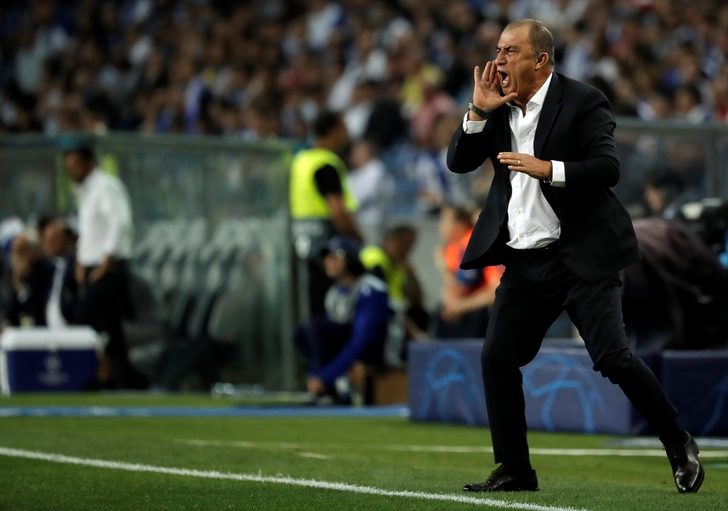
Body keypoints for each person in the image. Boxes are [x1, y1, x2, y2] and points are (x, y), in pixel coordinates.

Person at [446, 19, 703, 494]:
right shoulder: (496, 106)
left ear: (540, 60)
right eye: (498, 50)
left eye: (510, 51)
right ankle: (515, 468)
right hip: (525, 260)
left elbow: (607, 168)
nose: (498, 61)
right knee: (497, 358)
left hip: (581, 257)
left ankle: (677, 440)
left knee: (614, 359)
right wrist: (477, 111)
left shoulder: (584, 100)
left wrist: (548, 169)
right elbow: (458, 162)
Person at [63, 143, 140, 389]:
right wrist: (80, 260)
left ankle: (106, 375)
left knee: (87, 315)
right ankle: (123, 380)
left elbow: (120, 223)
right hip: (92, 267)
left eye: (75, 165)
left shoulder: (106, 186)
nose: (70, 171)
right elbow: (89, 232)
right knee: (110, 328)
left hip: (108, 268)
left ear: (89, 163)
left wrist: (107, 260)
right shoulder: (85, 192)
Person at [294, 235, 393, 404]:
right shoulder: (334, 293)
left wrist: (326, 376)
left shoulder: (369, 289)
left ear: (351, 259)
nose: (329, 261)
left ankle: (329, 387)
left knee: (318, 329)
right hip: (351, 347)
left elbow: (362, 338)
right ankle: (325, 389)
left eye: (336, 256)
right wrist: (316, 374)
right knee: (303, 333)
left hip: (378, 350)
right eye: (327, 256)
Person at [290, 110, 363, 320]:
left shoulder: (300, 161)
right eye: (344, 127)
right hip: (327, 247)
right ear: (333, 131)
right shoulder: (325, 164)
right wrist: (358, 238)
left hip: (301, 243)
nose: (347, 133)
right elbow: (337, 211)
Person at [434, 204, 501, 339]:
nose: (440, 226)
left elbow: (494, 289)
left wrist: (458, 306)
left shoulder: (474, 242)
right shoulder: (452, 248)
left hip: (484, 308)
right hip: (469, 305)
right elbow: (453, 288)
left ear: (460, 224)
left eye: (445, 221)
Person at [360, 224, 430, 348]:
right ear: (389, 240)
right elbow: (382, 301)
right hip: (374, 311)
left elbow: (416, 299)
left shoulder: (399, 265)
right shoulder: (374, 257)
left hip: (397, 312)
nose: (406, 250)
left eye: (410, 246)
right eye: (403, 244)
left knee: (420, 314)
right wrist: (413, 331)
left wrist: (412, 275)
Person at [38, 217, 78, 328]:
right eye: (45, 240)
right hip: (48, 329)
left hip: (72, 327)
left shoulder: (74, 265)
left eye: (53, 240)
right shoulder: (45, 268)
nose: (48, 245)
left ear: (65, 240)